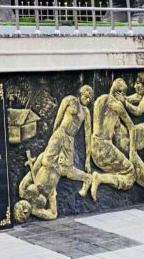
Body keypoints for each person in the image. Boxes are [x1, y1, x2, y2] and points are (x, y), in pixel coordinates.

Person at [14, 85, 98, 222]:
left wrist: (87, 158)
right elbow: (58, 117)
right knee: (49, 161)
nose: (87, 99)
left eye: (90, 97)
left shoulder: (86, 112)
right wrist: (54, 134)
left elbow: (88, 134)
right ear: (80, 93)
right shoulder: (70, 100)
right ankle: (87, 178)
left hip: (69, 139)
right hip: (60, 133)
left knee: (66, 168)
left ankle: (87, 178)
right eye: (86, 95)